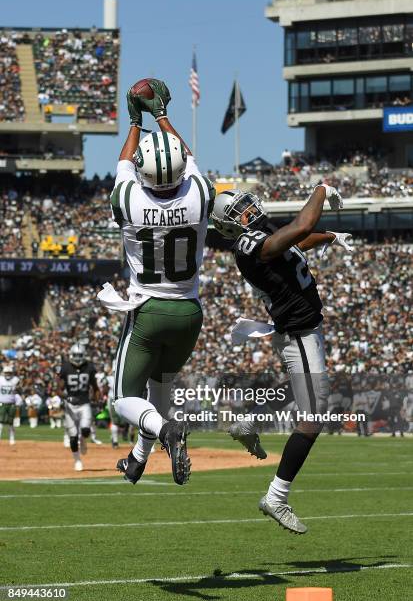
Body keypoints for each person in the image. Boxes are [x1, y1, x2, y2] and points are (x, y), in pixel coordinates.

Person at [212, 184, 352, 533]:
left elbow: (299, 242)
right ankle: (276, 496)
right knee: (313, 418)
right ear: (230, 226)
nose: (248, 210)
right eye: (238, 211)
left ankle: (250, 421)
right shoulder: (247, 246)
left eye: (245, 204)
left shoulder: (262, 234)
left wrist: (330, 236)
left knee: (306, 400)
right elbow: (301, 227)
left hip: (300, 330)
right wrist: (321, 189)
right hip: (300, 331)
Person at [99, 79, 214, 486]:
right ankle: (138, 457)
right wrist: (162, 116)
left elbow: (124, 165)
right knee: (160, 386)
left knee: (122, 398)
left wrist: (134, 121)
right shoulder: (199, 195)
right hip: (189, 312)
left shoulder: (130, 200)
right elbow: (187, 154)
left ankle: (167, 432)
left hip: (149, 311)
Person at [58, 343, 100, 471]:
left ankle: (83, 439)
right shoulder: (65, 367)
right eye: (75, 355)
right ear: (71, 355)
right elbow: (58, 389)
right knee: (72, 437)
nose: (77, 358)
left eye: (79, 355)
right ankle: (77, 461)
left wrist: (96, 399)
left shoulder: (89, 367)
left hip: (84, 403)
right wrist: (66, 397)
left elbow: (95, 387)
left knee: (86, 430)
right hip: (70, 405)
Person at [0, 365, 20, 445]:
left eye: (9, 373)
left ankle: (12, 438)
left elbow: (19, 388)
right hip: (2, 403)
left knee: (10, 423)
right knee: (0, 422)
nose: (8, 374)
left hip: (11, 404)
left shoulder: (15, 380)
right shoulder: (1, 379)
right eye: (6, 373)